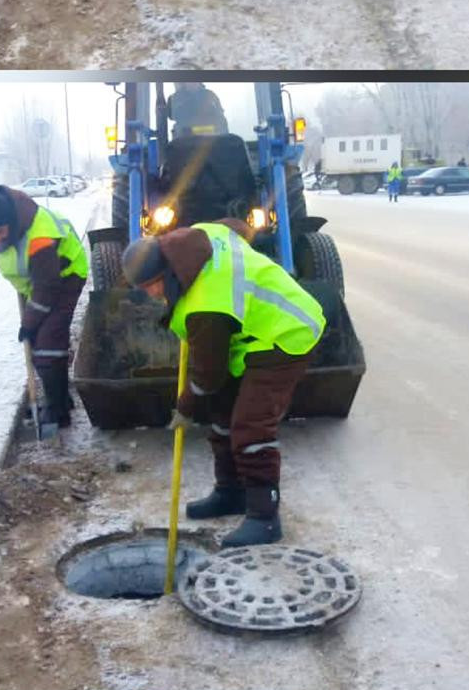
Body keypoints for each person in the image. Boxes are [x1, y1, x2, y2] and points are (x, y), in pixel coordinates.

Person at [122, 220, 326, 545]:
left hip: (286, 332)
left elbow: (208, 375)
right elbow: (237, 227)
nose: (149, 294)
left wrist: (185, 406)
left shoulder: (206, 304)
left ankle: (264, 518)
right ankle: (230, 492)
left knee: (250, 425)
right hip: (249, 335)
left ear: (168, 272)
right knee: (221, 412)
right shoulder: (202, 235)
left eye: (151, 286)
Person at [0, 185, 89, 430]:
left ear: (10, 222)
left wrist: (29, 322)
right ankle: (59, 399)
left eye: (0, 232)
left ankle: (57, 413)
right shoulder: (0, 224)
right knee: (36, 341)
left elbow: (47, 288)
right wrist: (31, 321)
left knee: (48, 342)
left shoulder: (39, 237)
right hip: (35, 284)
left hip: (66, 276)